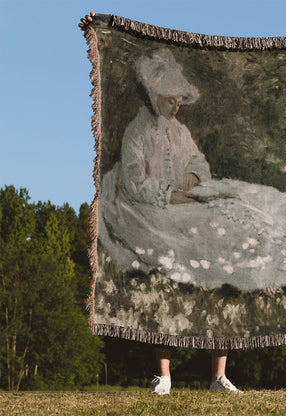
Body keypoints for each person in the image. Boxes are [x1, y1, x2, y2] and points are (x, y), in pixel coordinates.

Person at [80, 13, 243, 395]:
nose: (178, 104)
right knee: (165, 276)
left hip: (183, 205)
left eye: (179, 97)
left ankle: (219, 375)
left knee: (219, 261)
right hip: (147, 209)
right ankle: (164, 375)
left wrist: (191, 180)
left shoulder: (181, 131)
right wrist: (170, 193)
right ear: (156, 95)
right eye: (172, 97)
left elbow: (198, 162)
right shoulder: (138, 131)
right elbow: (135, 181)